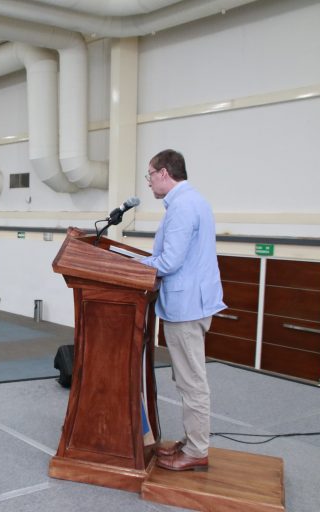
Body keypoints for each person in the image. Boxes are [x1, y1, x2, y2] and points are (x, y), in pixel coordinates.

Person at [140, 149, 226, 472]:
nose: (148, 182)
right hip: (190, 302)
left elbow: (169, 262)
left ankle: (197, 450)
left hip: (187, 306)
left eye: (149, 175)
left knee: (191, 381)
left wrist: (132, 264)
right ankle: (193, 442)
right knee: (189, 378)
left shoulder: (183, 206)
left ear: (164, 173)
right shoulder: (191, 201)